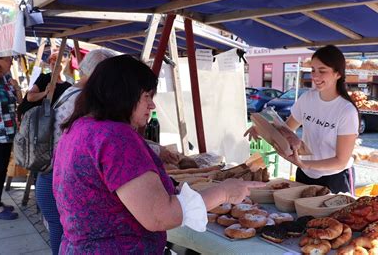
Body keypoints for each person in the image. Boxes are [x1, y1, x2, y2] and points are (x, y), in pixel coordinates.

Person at [53, 54, 264, 253]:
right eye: (147, 96)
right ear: (122, 94)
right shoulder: (115, 137)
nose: (152, 105)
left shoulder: (78, 128)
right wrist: (225, 192)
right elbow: (160, 215)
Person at [246, 45, 359, 194]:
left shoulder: (346, 110)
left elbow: (341, 161)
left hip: (334, 178)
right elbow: (287, 129)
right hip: (305, 174)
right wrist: (263, 128)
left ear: (338, 74)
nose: (315, 76)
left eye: (322, 71)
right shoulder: (307, 98)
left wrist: (305, 164)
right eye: (313, 70)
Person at [35, 49, 116, 255]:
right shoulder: (83, 99)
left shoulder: (72, 92)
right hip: (55, 178)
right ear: (99, 73)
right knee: (64, 235)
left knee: (62, 234)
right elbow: (102, 140)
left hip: (49, 177)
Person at [0, 56, 22, 220]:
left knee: (1, 168)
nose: (11, 61)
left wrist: (17, 88)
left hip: (8, 131)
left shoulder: (6, 77)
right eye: (7, 59)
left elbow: (18, 101)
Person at [17, 52, 71, 119]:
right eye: (52, 64)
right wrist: (45, 93)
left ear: (63, 65)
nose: (54, 67)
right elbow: (30, 97)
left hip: (56, 120)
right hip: (38, 120)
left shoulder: (68, 86)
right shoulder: (44, 78)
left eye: (57, 64)